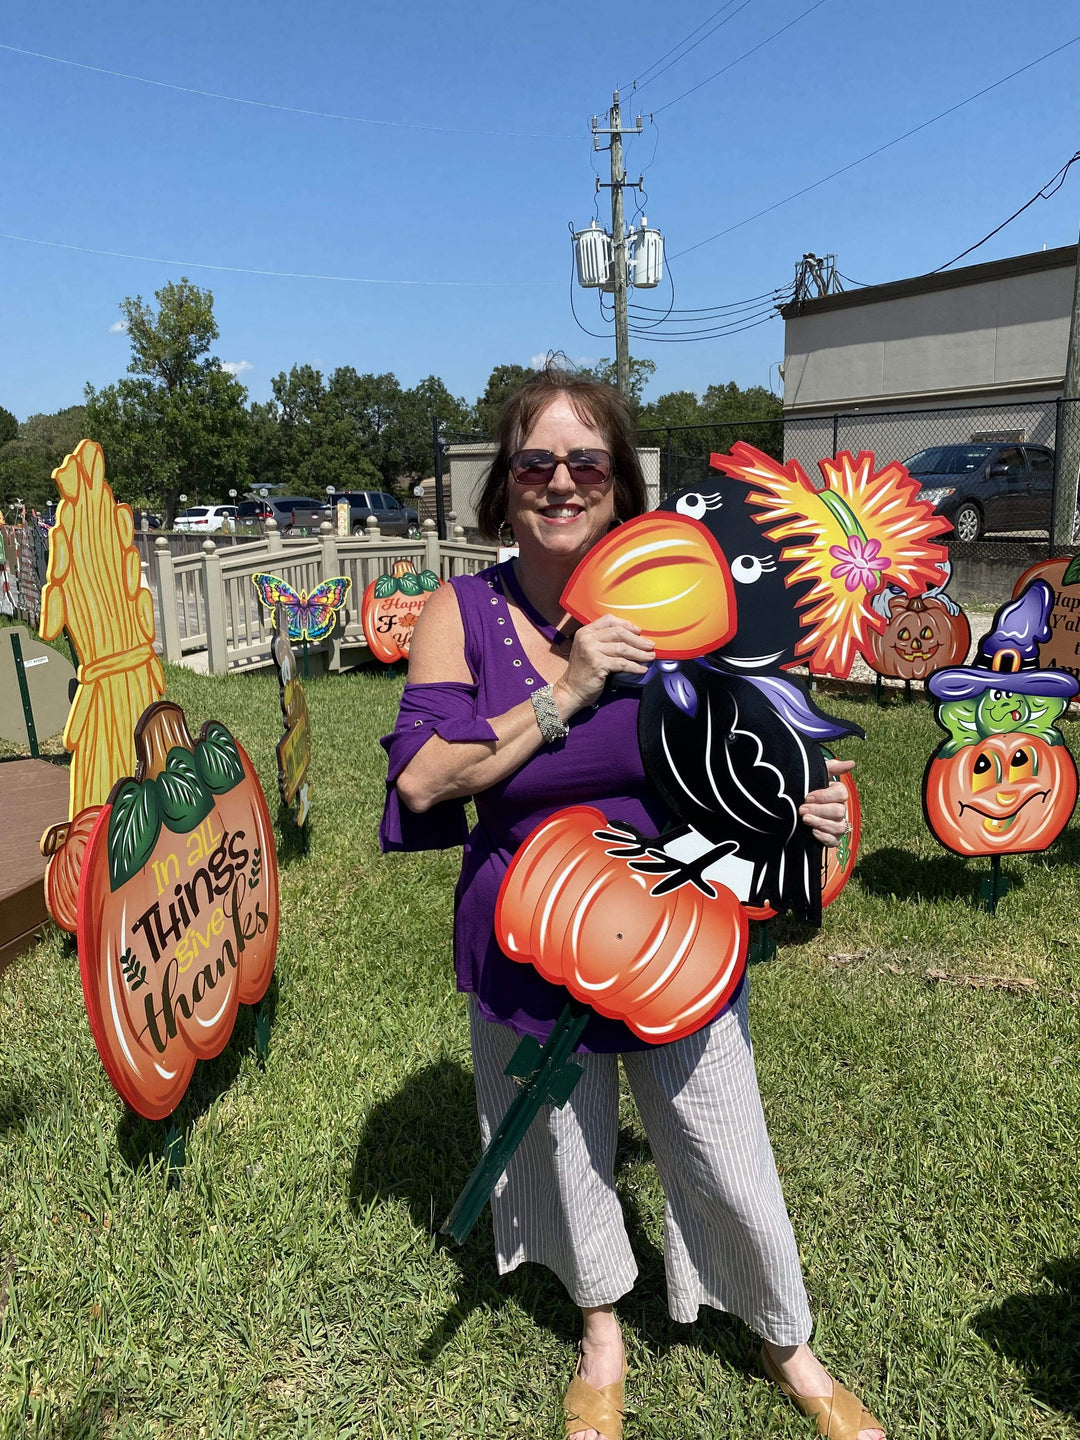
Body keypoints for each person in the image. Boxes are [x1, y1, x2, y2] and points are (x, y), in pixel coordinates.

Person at [380, 367, 882, 1440]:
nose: (561, 481)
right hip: (527, 923)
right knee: (561, 1141)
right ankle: (601, 1327)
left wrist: (804, 814)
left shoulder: (679, 598)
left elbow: (746, 753)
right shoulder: (463, 613)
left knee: (719, 1138)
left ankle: (784, 1337)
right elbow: (423, 780)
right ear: (503, 484)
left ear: (620, 480)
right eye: (536, 463)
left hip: (678, 923)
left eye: (586, 461)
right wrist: (561, 692)